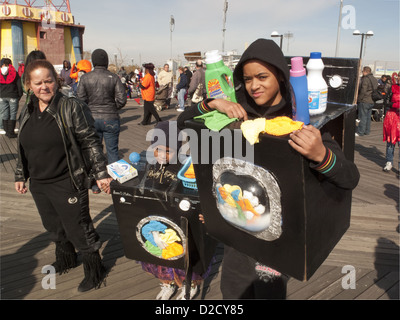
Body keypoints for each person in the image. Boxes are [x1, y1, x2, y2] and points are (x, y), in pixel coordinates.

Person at [178, 38, 360, 299]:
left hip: (279, 241)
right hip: (238, 234)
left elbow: (350, 178)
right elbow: (185, 123)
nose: (254, 86)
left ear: (281, 76)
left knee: (268, 293)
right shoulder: (236, 109)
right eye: (248, 78)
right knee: (232, 292)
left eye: (262, 76)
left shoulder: (300, 116)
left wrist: (320, 155)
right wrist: (212, 104)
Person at [14, 59, 113, 292]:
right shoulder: (27, 108)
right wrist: (20, 174)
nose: (44, 87)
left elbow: (90, 142)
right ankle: (67, 258)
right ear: (29, 85)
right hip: (39, 182)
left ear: (56, 81)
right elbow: (23, 146)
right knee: (54, 226)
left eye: (49, 81)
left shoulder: (71, 106)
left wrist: (100, 172)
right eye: (38, 83)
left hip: (67, 180)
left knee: (79, 227)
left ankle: (94, 270)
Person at [139, 120, 210, 300]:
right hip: (157, 220)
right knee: (161, 258)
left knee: (183, 258)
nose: (162, 155)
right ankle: (167, 283)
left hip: (179, 222)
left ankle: (189, 284)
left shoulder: (184, 168)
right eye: (157, 149)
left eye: (168, 150)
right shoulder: (150, 165)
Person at [77, 49, 127, 168]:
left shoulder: (85, 78)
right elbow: (122, 100)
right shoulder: (114, 77)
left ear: (93, 62)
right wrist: (112, 108)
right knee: (113, 151)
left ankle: (95, 182)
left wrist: (89, 110)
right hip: (111, 118)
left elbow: (80, 100)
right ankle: (114, 181)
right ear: (106, 61)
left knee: (94, 152)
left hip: (91, 119)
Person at [0, 58, 23, 137]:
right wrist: (20, 95)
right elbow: (19, 85)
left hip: (2, 96)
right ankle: (11, 133)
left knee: (4, 114)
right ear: (10, 64)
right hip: (13, 95)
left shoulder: (0, 72)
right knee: (12, 114)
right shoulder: (14, 73)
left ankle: (6, 131)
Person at [382, 72, 400, 173]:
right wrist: (395, 105)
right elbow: (386, 102)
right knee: (390, 142)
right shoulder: (392, 88)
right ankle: (389, 162)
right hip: (392, 117)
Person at [356, 66, 378, 136]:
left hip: (365, 100)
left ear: (365, 71)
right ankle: (367, 131)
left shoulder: (366, 79)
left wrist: (359, 99)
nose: (362, 73)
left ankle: (360, 132)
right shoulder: (374, 79)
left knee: (362, 117)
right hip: (371, 100)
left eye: (362, 71)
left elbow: (363, 90)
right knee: (368, 117)